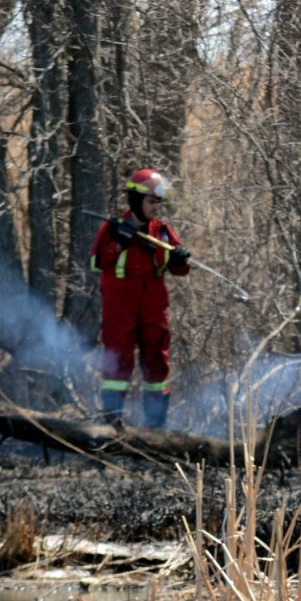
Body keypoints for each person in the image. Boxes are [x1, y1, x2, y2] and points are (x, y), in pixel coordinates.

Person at [89, 168, 192, 427]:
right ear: (136, 201)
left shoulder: (163, 232)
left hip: (154, 309)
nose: (156, 207)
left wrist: (180, 259)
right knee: (117, 364)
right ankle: (112, 427)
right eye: (151, 201)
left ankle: (155, 430)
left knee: (157, 364)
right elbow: (95, 263)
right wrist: (119, 244)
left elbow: (180, 270)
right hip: (119, 309)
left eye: (158, 202)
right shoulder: (113, 228)